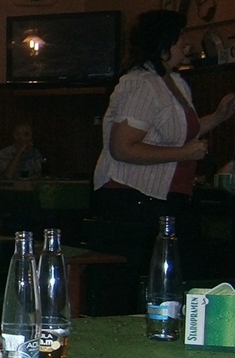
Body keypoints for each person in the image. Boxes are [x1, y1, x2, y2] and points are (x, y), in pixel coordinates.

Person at [91, 9, 235, 313]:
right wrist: (184, 154)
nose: (187, 43)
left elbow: (178, 133)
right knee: (142, 285)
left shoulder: (174, 82)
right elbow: (123, 148)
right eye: (181, 37)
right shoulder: (141, 85)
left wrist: (219, 117)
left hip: (167, 198)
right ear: (163, 43)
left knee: (182, 276)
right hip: (134, 198)